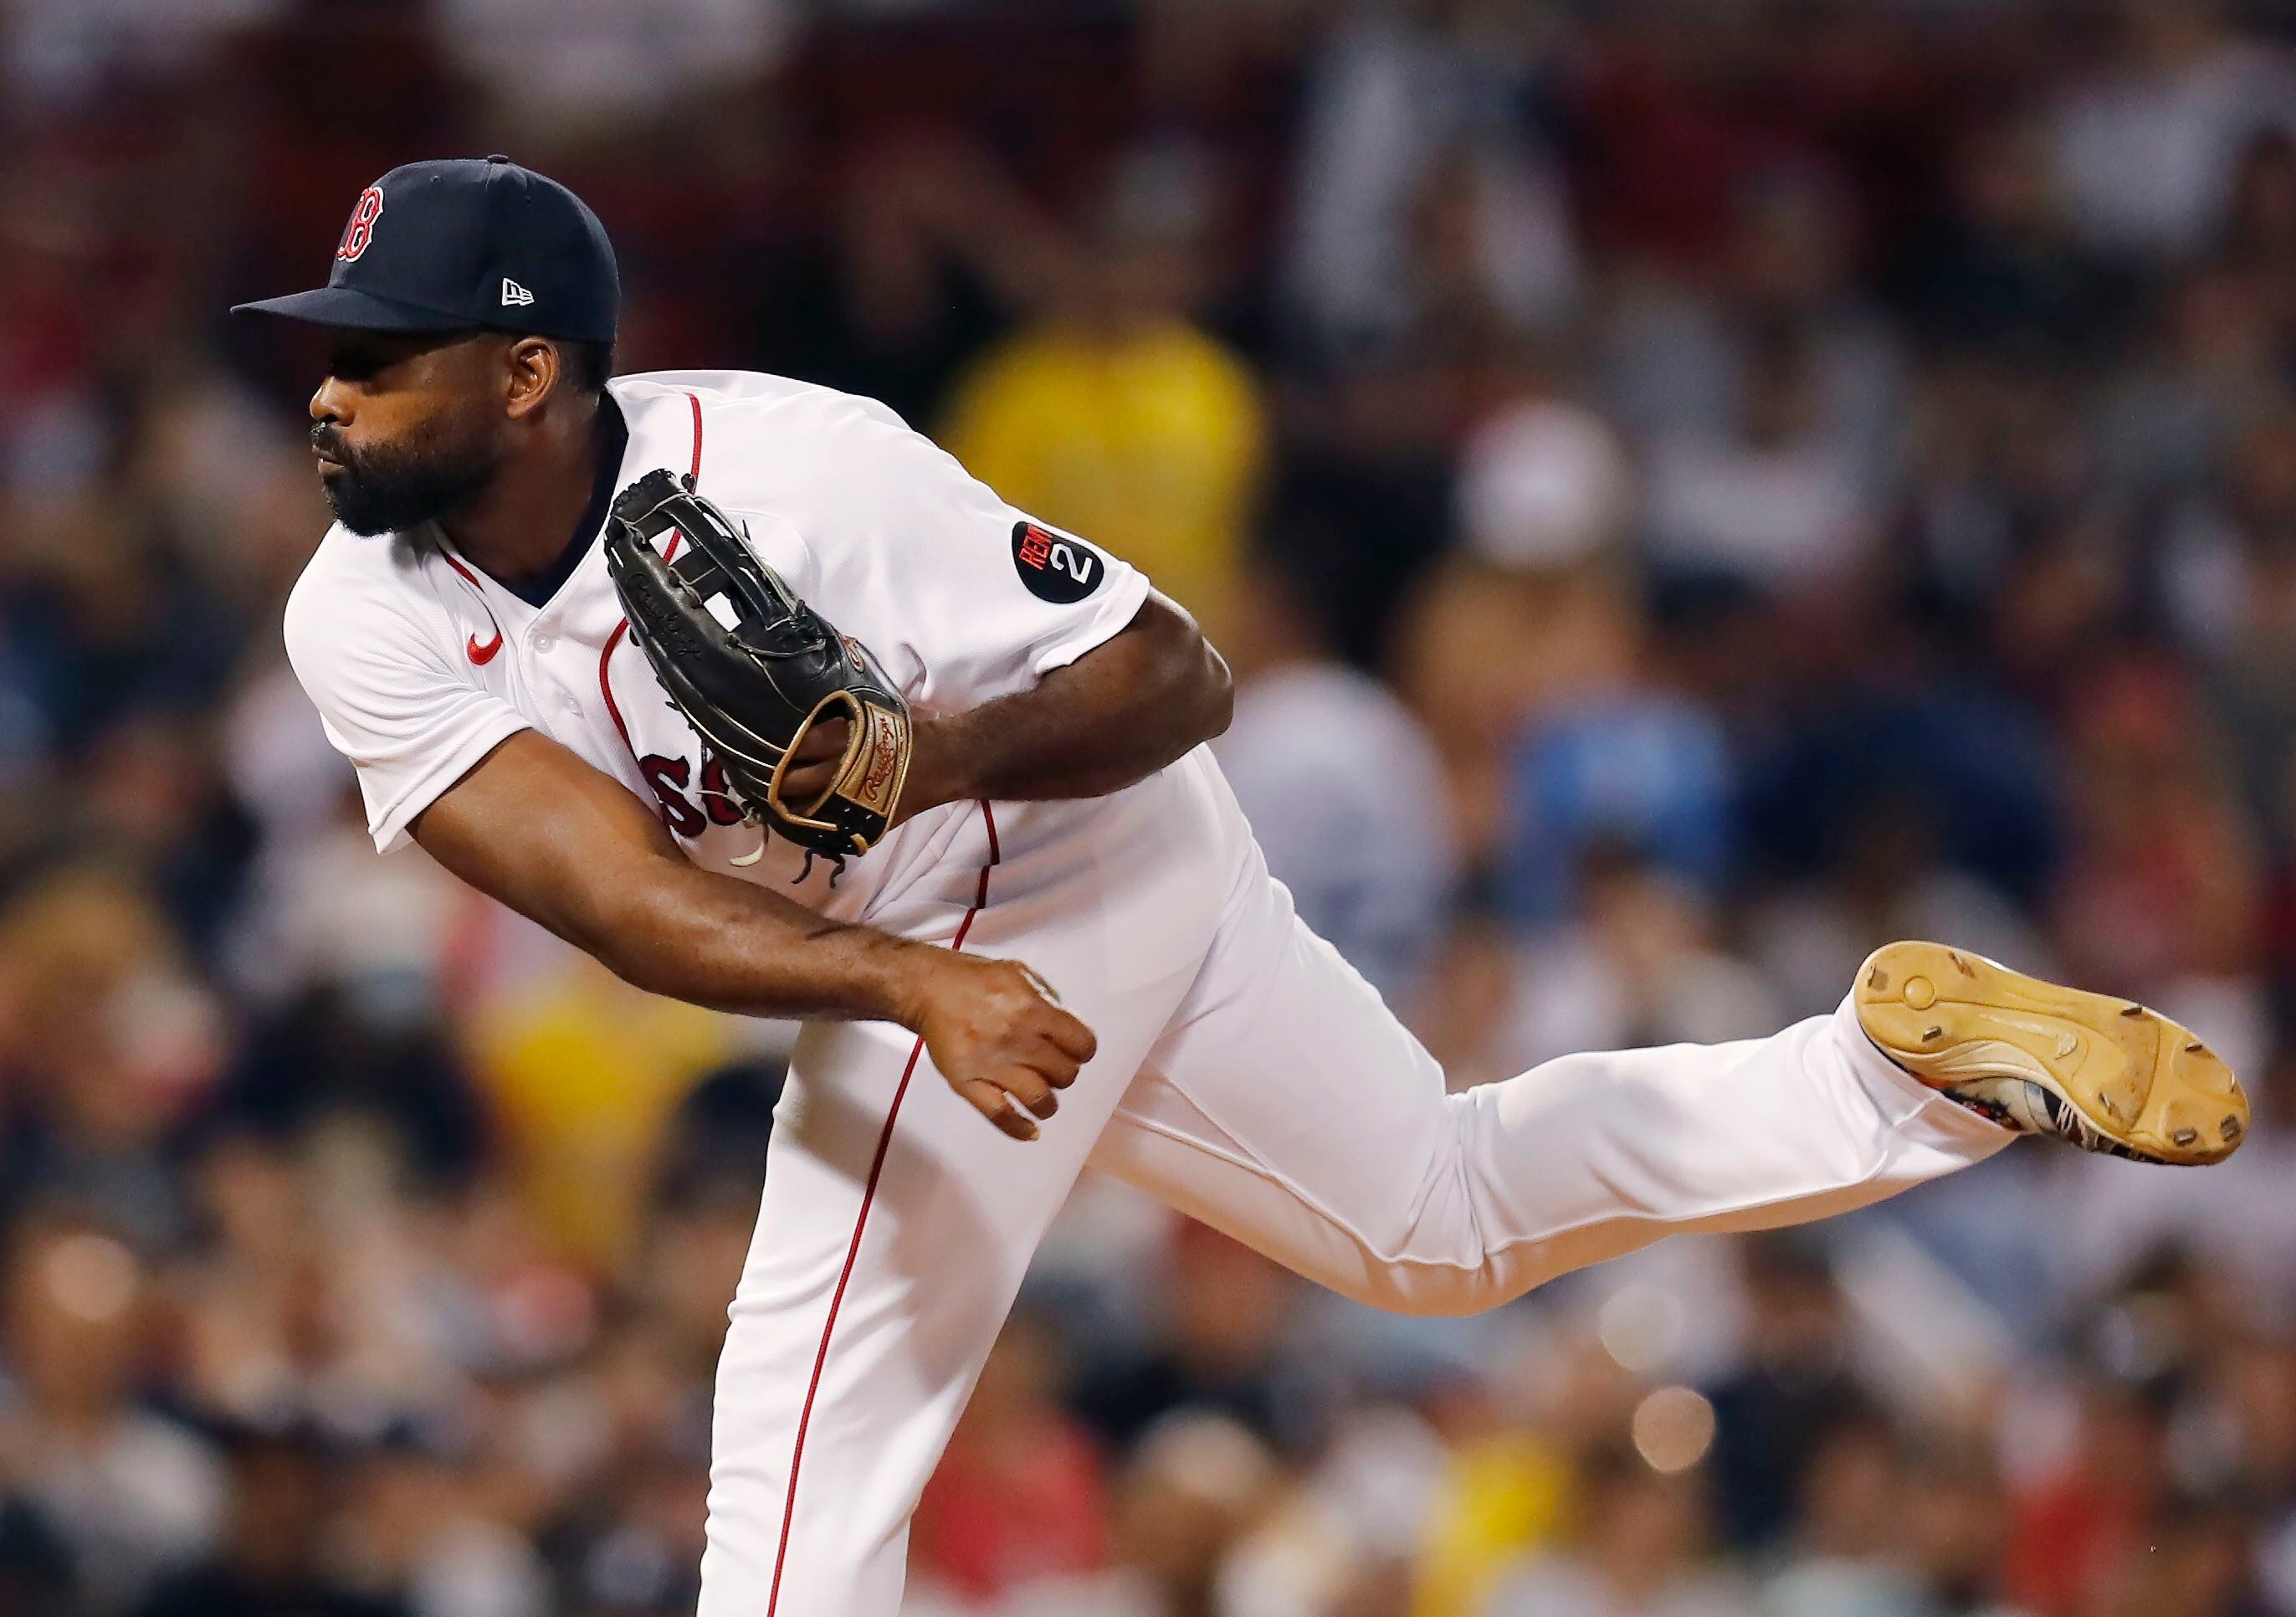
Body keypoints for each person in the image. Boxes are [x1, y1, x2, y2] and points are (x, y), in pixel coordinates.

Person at [239, 157, 2251, 1617]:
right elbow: (608, 900)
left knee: (805, 1400)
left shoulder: (801, 469)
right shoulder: (365, 612)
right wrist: (903, 979)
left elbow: (1172, 671)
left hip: (1073, 844)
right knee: (1436, 1226)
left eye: (376, 356)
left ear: (523, 373)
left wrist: (925, 761)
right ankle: (1896, 1081)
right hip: (933, 934)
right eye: (327, 353)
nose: (325, 391)